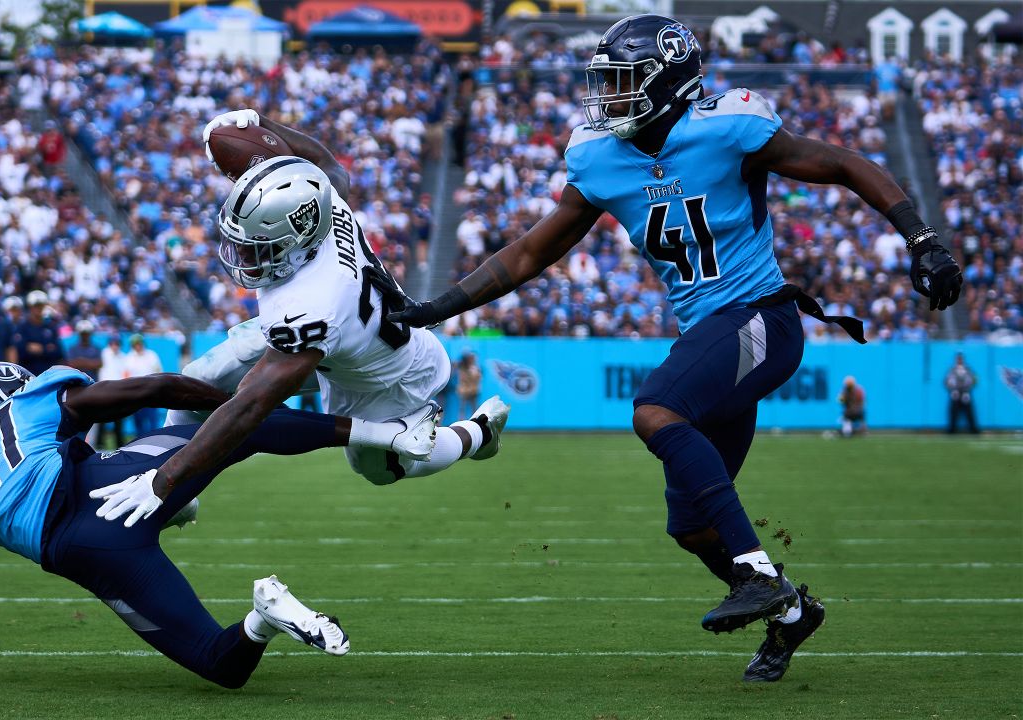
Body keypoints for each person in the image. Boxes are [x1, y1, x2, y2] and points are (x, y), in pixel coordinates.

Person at [388, 14, 963, 682]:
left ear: (669, 79)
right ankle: (791, 613)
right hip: (712, 338)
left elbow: (841, 162)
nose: (610, 97)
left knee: (656, 411)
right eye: (607, 82)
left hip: (762, 319)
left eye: (625, 81)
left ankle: (756, 574)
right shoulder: (600, 157)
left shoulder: (727, 127)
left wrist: (922, 238)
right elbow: (528, 254)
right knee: (690, 527)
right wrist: (436, 307)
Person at [0, 361, 439, 688]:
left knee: (220, 666)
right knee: (242, 430)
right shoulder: (29, 404)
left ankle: (263, 618)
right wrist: (235, 407)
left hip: (91, 551)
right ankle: (387, 434)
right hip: (113, 485)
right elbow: (151, 388)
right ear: (8, 388)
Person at [147, 111, 509, 502]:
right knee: (200, 377)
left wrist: (169, 477)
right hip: (348, 336)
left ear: (296, 241)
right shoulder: (319, 206)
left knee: (379, 469)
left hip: (385, 376)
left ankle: (478, 434)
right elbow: (325, 164)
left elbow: (250, 406)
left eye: (258, 248)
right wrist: (261, 123)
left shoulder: (312, 304)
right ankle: (169, 492)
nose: (246, 258)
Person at [122, 334, 164, 436]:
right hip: (135, 393)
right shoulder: (128, 358)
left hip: (151, 392)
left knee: (152, 419)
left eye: (139, 343)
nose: (138, 345)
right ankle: (140, 443)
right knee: (138, 420)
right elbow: (126, 376)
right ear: (132, 345)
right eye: (135, 344)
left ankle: (154, 441)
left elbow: (159, 372)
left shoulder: (151, 355)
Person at [14, 290, 62, 376]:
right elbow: (20, 351)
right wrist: (46, 349)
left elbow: (58, 352)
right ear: (30, 306)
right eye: (35, 305)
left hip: (48, 375)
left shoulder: (51, 327)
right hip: (27, 375)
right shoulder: (22, 327)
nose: (38, 308)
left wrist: (40, 349)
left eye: (40, 305)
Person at [945, 353, 978, 434]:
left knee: (969, 412)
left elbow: (972, 380)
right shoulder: (952, 369)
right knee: (953, 412)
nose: (959, 360)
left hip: (965, 393)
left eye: (961, 359)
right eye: (958, 359)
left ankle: (973, 429)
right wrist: (953, 390)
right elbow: (947, 381)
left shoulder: (967, 369)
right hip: (955, 393)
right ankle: (952, 430)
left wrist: (967, 391)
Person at [456, 352, 483, 420]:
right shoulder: (463, 367)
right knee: (462, 407)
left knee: (474, 407)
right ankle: (460, 422)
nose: (472, 359)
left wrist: (474, 374)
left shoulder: (475, 367)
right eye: (471, 358)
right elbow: (462, 378)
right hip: (464, 390)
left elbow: (478, 378)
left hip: (473, 390)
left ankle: (474, 421)